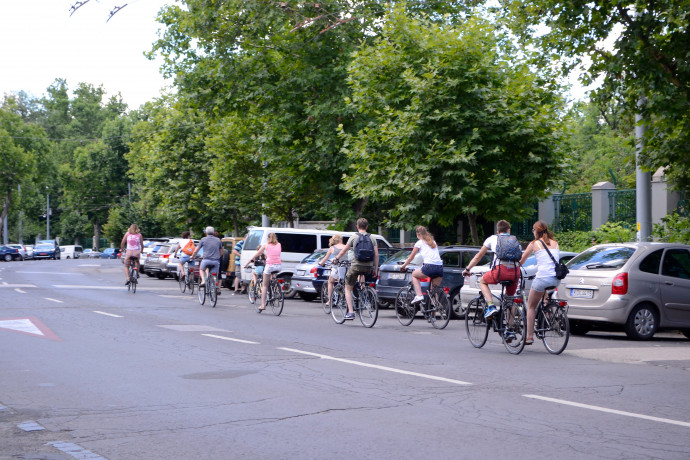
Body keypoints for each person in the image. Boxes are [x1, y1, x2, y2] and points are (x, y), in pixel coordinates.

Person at [462, 220, 521, 319]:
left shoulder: (493, 238)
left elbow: (478, 256)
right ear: (509, 230)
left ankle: (491, 306)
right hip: (515, 272)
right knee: (510, 300)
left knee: (482, 281)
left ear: (498, 231)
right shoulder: (514, 240)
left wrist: (467, 269)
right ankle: (510, 329)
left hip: (500, 271)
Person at [518, 221, 560, 345]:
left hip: (542, 278)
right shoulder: (555, 243)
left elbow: (522, 260)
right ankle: (546, 312)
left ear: (536, 231)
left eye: (533, 230)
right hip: (556, 279)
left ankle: (529, 336)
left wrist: (514, 267)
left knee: (530, 306)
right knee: (544, 294)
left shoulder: (534, 244)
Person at [334, 218, 379, 320]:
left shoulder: (353, 237)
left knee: (347, 288)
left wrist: (336, 259)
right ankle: (364, 293)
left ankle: (350, 312)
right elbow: (376, 254)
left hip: (356, 266)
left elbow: (343, 251)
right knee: (362, 278)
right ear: (366, 227)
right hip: (368, 267)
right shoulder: (372, 238)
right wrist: (375, 269)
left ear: (357, 226)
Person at [400, 226, 443, 304]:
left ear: (417, 234)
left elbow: (411, 257)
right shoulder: (433, 242)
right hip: (439, 268)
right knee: (434, 291)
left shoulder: (419, 243)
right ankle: (434, 311)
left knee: (414, 275)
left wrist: (403, 266)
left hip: (429, 267)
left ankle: (419, 295)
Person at [249, 232, 281, 312]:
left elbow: (258, 253)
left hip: (269, 266)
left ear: (268, 238)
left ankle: (263, 305)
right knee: (273, 278)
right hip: (278, 266)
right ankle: (276, 290)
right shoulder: (279, 244)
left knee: (265, 285)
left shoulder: (266, 245)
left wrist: (252, 259)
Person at [318, 233, 347, 307]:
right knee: (345, 283)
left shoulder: (332, 248)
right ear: (341, 240)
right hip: (347, 267)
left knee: (330, 281)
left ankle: (330, 300)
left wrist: (321, 263)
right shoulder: (346, 247)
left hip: (337, 268)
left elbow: (326, 258)